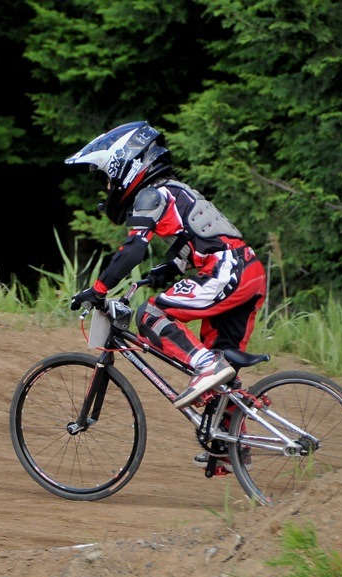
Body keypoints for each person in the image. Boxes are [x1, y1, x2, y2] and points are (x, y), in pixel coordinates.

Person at [65, 121, 267, 468]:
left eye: (108, 178)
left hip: (226, 272)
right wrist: (165, 271)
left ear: (126, 165)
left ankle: (205, 367)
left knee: (150, 315)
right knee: (227, 370)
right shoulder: (175, 190)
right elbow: (194, 242)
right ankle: (231, 447)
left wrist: (97, 290)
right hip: (248, 272)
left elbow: (132, 251)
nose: (109, 187)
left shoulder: (150, 195)